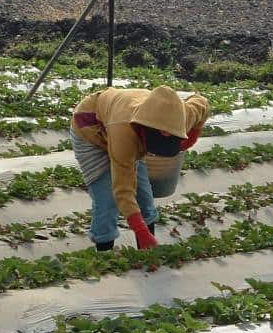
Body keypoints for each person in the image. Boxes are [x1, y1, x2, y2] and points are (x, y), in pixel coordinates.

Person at [70, 85, 209, 251]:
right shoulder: (125, 133)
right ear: (145, 133)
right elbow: (123, 190)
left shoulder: (182, 115)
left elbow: (203, 104)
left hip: (129, 127)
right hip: (91, 128)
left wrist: (190, 140)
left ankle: (147, 251)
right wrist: (141, 232)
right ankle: (104, 257)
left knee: (144, 196)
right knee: (107, 199)